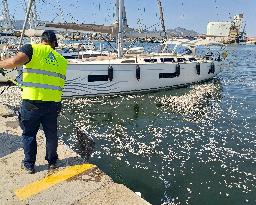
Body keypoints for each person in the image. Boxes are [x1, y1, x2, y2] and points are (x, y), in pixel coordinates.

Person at [0, 30, 68, 174]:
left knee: (29, 134)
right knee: (51, 134)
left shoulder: (32, 49)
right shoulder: (62, 60)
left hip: (32, 103)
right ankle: (52, 162)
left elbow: (13, 62)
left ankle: (29, 164)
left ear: (42, 40)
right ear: (54, 43)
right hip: (53, 104)